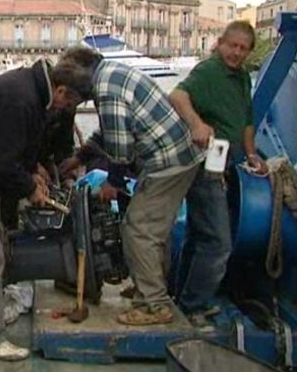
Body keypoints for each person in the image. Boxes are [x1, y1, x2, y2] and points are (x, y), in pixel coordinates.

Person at [0, 57, 92, 360]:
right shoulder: (23, 100)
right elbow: (2, 161)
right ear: (61, 91)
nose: (65, 111)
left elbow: (13, 146)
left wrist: (33, 169)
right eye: (70, 103)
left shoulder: (33, 90)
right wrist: (29, 188)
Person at [59, 47, 205, 326]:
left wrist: (112, 182)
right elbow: (110, 131)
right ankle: (148, 287)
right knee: (152, 229)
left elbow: (121, 149)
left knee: (138, 229)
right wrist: (80, 156)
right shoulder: (111, 74)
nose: (73, 98)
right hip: (177, 156)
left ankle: (154, 304)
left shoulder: (104, 90)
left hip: (169, 161)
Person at [169, 20, 267, 330]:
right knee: (219, 243)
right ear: (220, 43)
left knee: (200, 235)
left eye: (243, 48)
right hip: (204, 163)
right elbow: (178, 95)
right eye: (232, 45)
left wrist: (252, 154)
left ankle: (182, 296)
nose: (236, 53)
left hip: (224, 164)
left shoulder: (241, 80)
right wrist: (197, 124)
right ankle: (193, 305)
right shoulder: (208, 71)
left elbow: (247, 121)